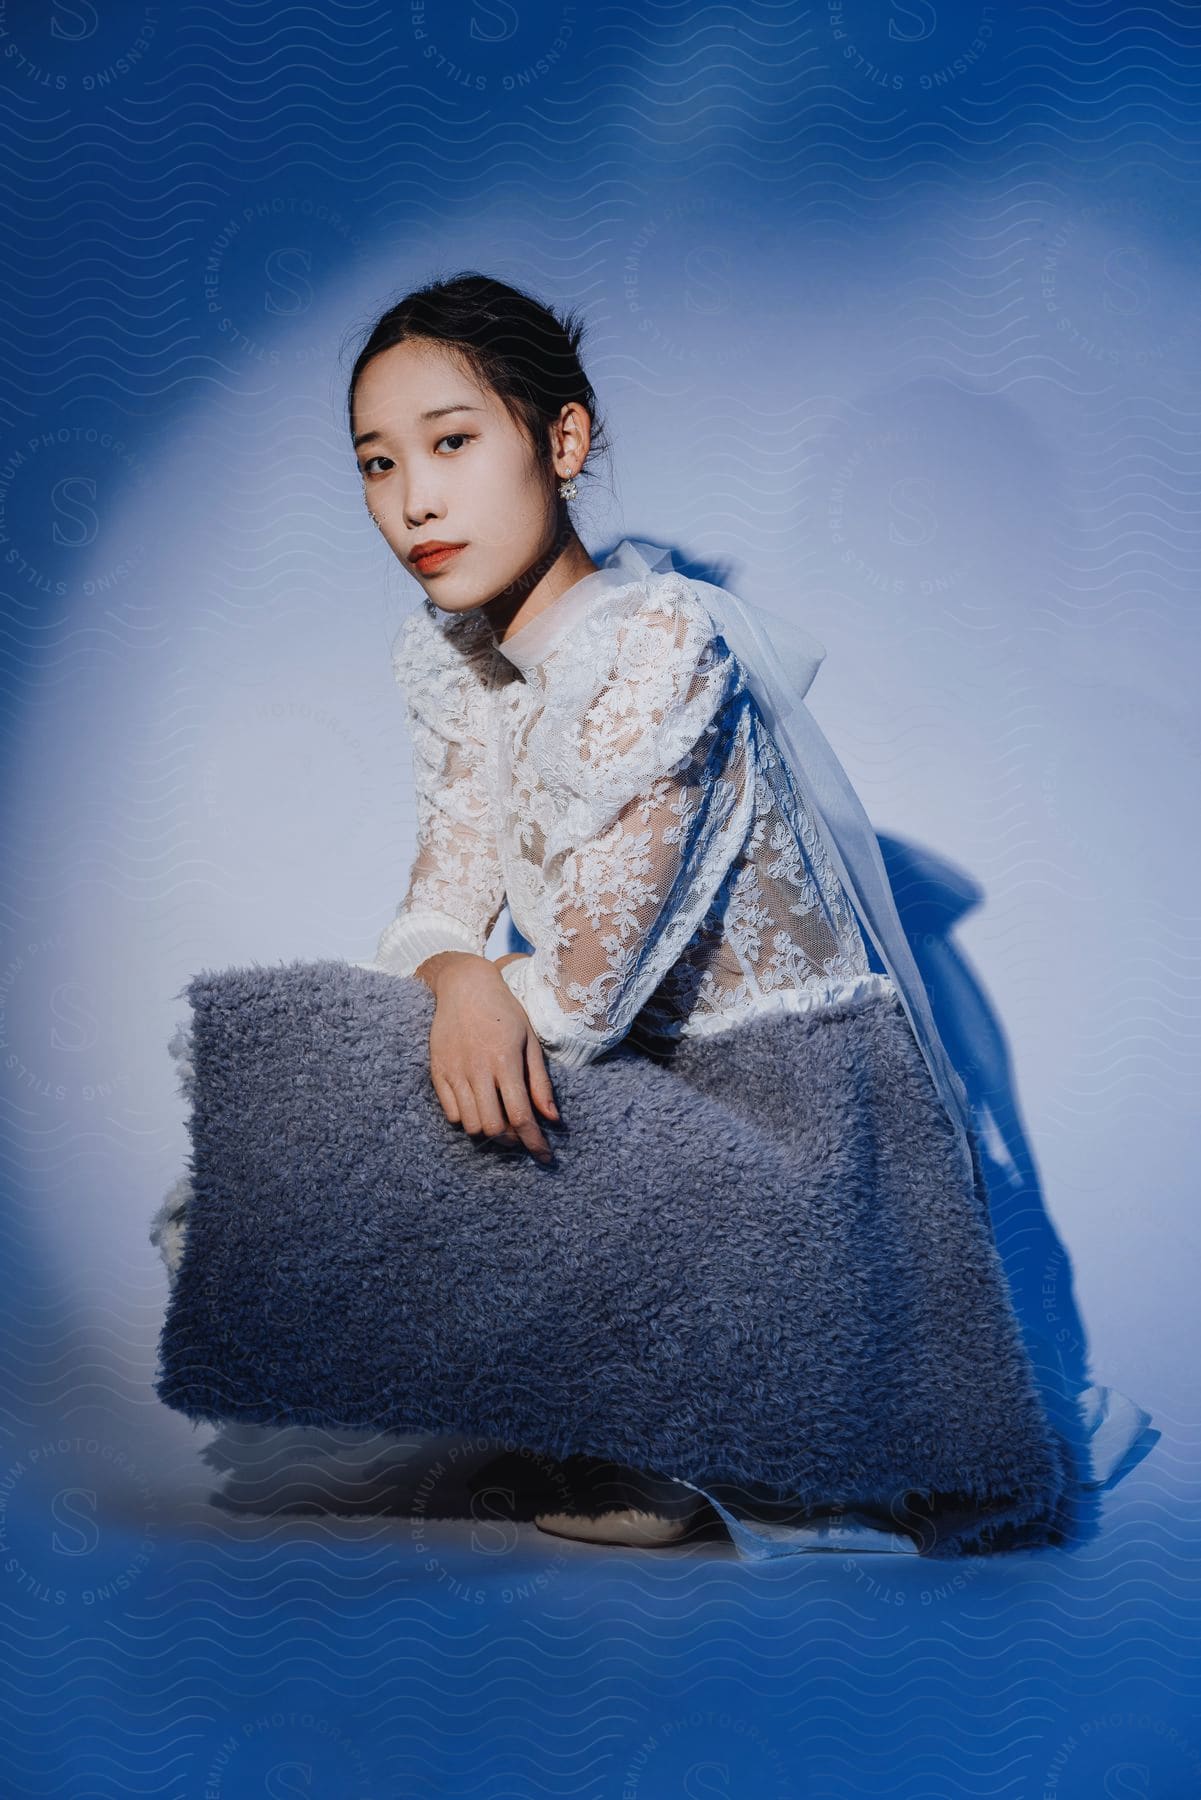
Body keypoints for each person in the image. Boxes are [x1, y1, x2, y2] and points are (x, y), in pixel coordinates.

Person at [153, 269, 1150, 1559]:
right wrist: (459, 975)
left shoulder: (658, 641)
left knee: (354, 1092)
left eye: (454, 442)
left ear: (560, 441)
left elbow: (585, 993)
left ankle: (683, 1436)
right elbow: (436, 912)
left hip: (797, 1145)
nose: (415, 502)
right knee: (294, 1072)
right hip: (644, 1099)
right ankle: (625, 1424)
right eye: (377, 464)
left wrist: (471, 990)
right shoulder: (453, 656)